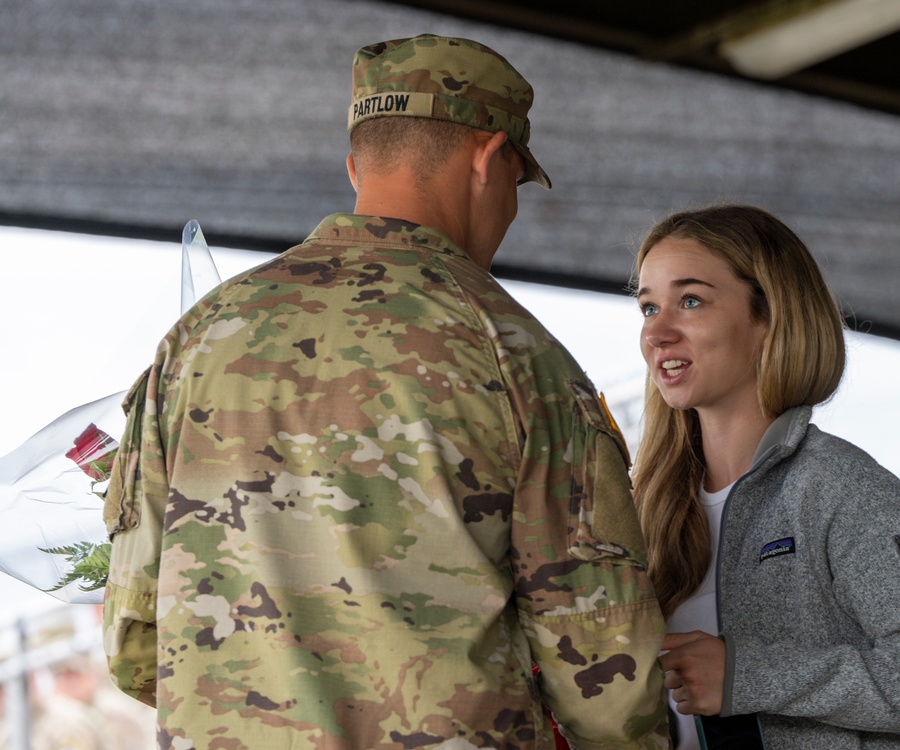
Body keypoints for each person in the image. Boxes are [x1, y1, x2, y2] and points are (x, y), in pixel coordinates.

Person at [102, 34, 671, 749]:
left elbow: (134, 642)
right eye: (516, 184)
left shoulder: (194, 342)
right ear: (490, 159)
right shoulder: (518, 356)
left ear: (354, 168)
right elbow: (606, 681)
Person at [632, 204, 900, 749]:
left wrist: (747, 675)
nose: (657, 332)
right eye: (648, 307)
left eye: (691, 301)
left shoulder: (840, 489)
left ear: (769, 317)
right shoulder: (642, 506)